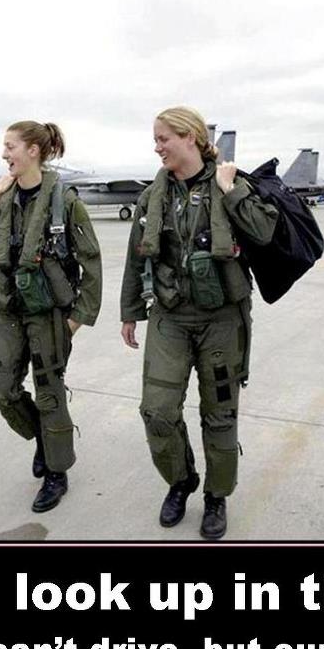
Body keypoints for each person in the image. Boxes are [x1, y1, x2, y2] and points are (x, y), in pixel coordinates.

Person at [120, 106, 280, 540]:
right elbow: (137, 255)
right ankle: (181, 480)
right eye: (155, 140)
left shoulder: (231, 183)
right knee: (157, 410)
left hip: (222, 320)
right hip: (169, 317)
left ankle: (216, 495)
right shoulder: (153, 196)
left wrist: (232, 191)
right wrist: (130, 311)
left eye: (163, 138)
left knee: (220, 415)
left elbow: (264, 232)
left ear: (190, 137)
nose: (157, 147)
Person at [0, 121, 102, 512]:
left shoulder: (65, 201)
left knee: (49, 392)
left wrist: (78, 318)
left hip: (48, 313)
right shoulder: (5, 197)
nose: (4, 154)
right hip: (9, 309)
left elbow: (91, 263)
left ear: (33, 151)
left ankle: (56, 472)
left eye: (10, 146)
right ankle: (44, 437)